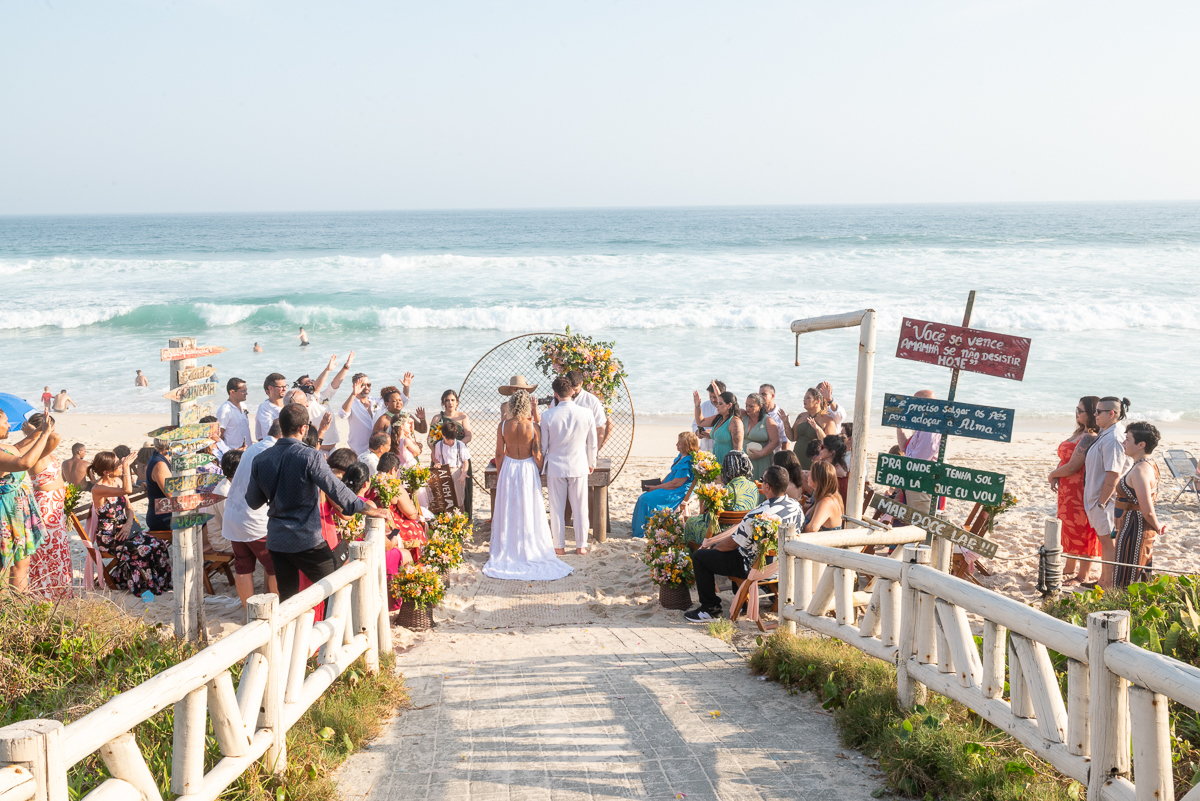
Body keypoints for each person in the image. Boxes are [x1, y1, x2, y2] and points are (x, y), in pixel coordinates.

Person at [245, 404, 389, 601]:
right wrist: (368, 509)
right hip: (306, 539)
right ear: (304, 428)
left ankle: (296, 632)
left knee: (288, 597)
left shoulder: (261, 458)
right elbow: (337, 491)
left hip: (277, 539)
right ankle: (334, 631)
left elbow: (253, 501)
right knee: (337, 587)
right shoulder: (310, 456)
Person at [684, 465, 802, 623]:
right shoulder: (796, 507)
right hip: (781, 566)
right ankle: (744, 603)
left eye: (762, 481)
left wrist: (713, 548)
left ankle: (710, 609)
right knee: (740, 551)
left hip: (755, 568)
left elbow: (732, 545)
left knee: (700, 556)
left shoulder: (758, 513)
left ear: (767, 486)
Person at [483, 390, 573, 581]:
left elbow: (499, 453)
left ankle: (509, 546)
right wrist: (539, 470)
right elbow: (537, 454)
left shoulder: (502, 426)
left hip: (508, 466)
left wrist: (501, 474)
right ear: (527, 406)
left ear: (511, 404)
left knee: (509, 507)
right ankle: (528, 544)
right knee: (528, 507)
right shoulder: (533, 427)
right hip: (527, 468)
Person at [86, 451, 173, 595]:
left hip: (127, 530)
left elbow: (129, 507)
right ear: (106, 472)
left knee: (160, 544)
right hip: (110, 537)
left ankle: (162, 585)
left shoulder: (118, 481)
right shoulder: (98, 489)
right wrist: (127, 466)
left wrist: (128, 524)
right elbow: (128, 490)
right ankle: (149, 588)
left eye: (121, 464)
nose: (120, 466)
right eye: (118, 464)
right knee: (143, 550)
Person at [222, 423, 280, 606]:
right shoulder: (273, 451)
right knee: (275, 566)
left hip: (233, 514)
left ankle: (249, 613)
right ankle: (276, 610)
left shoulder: (253, 447)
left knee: (243, 567)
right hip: (253, 518)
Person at [540, 376, 598, 555]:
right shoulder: (587, 413)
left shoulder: (547, 415)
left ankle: (559, 546)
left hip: (556, 466)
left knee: (556, 508)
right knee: (580, 507)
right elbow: (592, 443)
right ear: (572, 392)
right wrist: (591, 462)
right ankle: (581, 546)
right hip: (579, 464)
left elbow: (543, 445)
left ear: (556, 394)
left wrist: (542, 466)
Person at [1048, 396, 1101, 584]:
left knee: (1083, 529)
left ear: (1093, 413)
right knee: (1070, 527)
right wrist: (1057, 474)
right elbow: (1065, 457)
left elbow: (1073, 466)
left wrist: (1052, 474)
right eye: (1076, 409)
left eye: (1081, 410)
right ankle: (1069, 567)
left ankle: (1083, 574)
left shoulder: (1090, 436)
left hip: (1080, 488)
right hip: (1067, 489)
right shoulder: (1080, 432)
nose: (1076, 413)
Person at [18, 415, 72, 599]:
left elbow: (54, 438)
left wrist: (39, 431)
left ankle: (60, 591)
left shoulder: (46, 450)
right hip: (46, 506)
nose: (52, 432)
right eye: (50, 428)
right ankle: (46, 592)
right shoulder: (36, 451)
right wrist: (36, 431)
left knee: (59, 549)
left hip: (55, 506)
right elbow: (56, 438)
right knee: (47, 549)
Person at [1, 410, 53, 591]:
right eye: (6, 421)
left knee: (21, 564)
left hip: (17, 512)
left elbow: (55, 438)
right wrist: (44, 433)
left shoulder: (7, 448)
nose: (9, 425)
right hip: (5, 514)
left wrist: (41, 428)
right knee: (5, 567)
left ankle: (18, 612)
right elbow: (24, 463)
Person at [1084, 397, 1132, 589]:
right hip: (1099, 498)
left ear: (1111, 414)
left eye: (1098, 412)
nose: (1094, 415)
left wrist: (1101, 502)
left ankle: (1109, 584)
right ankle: (1103, 579)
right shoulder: (1107, 432)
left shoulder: (1113, 437)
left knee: (1108, 542)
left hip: (1106, 500)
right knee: (1105, 541)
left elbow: (1114, 474)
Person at [1113, 422, 1164, 588]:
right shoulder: (1149, 464)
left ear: (1141, 445)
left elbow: (1146, 508)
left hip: (1135, 528)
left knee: (1128, 574)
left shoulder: (1141, 470)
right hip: (1135, 526)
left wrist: (1158, 526)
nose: (1123, 443)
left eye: (1127, 439)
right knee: (1137, 571)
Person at [416, 388, 475, 515]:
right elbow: (430, 439)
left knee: (460, 493)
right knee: (441, 493)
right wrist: (433, 452)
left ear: (457, 402)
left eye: (453, 400)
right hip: (439, 456)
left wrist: (455, 445)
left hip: (459, 456)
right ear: (443, 402)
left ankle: (462, 520)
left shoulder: (463, 416)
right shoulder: (437, 418)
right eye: (447, 400)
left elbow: (469, 436)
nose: (450, 403)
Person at [631, 432, 699, 538]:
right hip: (670, 486)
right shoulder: (682, 456)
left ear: (687, 445)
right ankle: (639, 528)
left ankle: (645, 531)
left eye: (680, 443)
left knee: (646, 499)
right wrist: (661, 482)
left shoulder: (687, 461)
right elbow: (673, 473)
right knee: (642, 497)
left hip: (677, 491)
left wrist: (656, 487)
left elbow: (676, 483)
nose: (677, 445)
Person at [685, 450, 758, 547]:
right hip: (745, 532)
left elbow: (711, 517)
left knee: (690, 521)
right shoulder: (754, 487)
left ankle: (691, 557)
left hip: (722, 535)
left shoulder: (727, 490)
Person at [894, 389, 942, 514]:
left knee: (920, 522)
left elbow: (919, 460)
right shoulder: (922, 424)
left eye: (915, 403)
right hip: (916, 480)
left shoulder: (930, 427)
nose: (912, 406)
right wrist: (899, 427)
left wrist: (905, 467)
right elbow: (905, 448)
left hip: (923, 482)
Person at [783, 388, 838, 470]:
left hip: (815, 460)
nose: (804, 400)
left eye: (808, 398)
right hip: (798, 458)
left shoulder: (828, 420)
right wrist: (786, 423)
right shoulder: (801, 416)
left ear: (817, 401)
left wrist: (818, 429)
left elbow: (830, 445)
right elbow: (792, 438)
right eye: (804, 398)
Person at [694, 390, 743, 464]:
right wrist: (697, 406)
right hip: (717, 460)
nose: (717, 406)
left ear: (729, 405)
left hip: (729, 463)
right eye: (717, 403)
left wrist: (731, 467)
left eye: (720, 404)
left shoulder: (735, 422)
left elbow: (737, 450)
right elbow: (700, 422)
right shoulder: (719, 418)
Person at [566, 370, 611, 451]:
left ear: (581, 384)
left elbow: (600, 426)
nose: (572, 392)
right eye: (570, 389)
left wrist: (595, 451)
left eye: (575, 389)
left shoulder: (592, 400)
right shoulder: (558, 399)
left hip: (584, 447)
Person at [432, 421, 470, 512]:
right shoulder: (439, 445)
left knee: (459, 499)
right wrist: (437, 464)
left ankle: (461, 521)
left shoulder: (460, 445)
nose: (450, 441)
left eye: (452, 439)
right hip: (443, 472)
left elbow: (465, 461)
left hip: (457, 472)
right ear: (443, 435)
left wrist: (463, 473)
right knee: (446, 499)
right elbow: (437, 459)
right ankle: (448, 521)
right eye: (448, 439)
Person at [742, 393, 781, 480]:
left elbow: (775, 441)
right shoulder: (744, 417)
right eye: (746, 405)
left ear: (760, 406)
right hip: (746, 459)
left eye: (751, 406)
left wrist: (760, 454)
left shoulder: (768, 420)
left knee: (761, 486)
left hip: (762, 459)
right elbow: (729, 405)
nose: (747, 408)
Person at [804, 462, 844, 532]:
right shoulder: (825, 498)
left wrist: (796, 532)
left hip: (821, 542)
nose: (807, 474)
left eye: (811, 473)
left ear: (819, 479)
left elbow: (813, 528)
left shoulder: (826, 501)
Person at [217, 377, 252, 450]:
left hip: (247, 450)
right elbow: (219, 435)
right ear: (232, 392)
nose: (246, 393)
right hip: (233, 453)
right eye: (243, 391)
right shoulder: (224, 410)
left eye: (246, 390)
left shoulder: (243, 405)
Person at [692, 381, 724, 451]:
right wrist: (698, 432)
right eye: (710, 396)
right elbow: (695, 424)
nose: (712, 399)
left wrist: (713, 434)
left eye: (715, 397)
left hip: (720, 449)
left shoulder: (727, 409)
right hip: (704, 448)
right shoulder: (704, 405)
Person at [256, 373, 288, 442]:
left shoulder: (288, 404)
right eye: (280, 387)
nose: (284, 389)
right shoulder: (264, 407)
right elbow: (270, 431)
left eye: (285, 386)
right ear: (270, 388)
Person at [758, 384, 789, 451]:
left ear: (772, 396)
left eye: (764, 394)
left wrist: (784, 459)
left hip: (774, 455)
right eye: (759, 395)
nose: (760, 397)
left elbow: (785, 439)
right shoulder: (756, 412)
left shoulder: (781, 415)